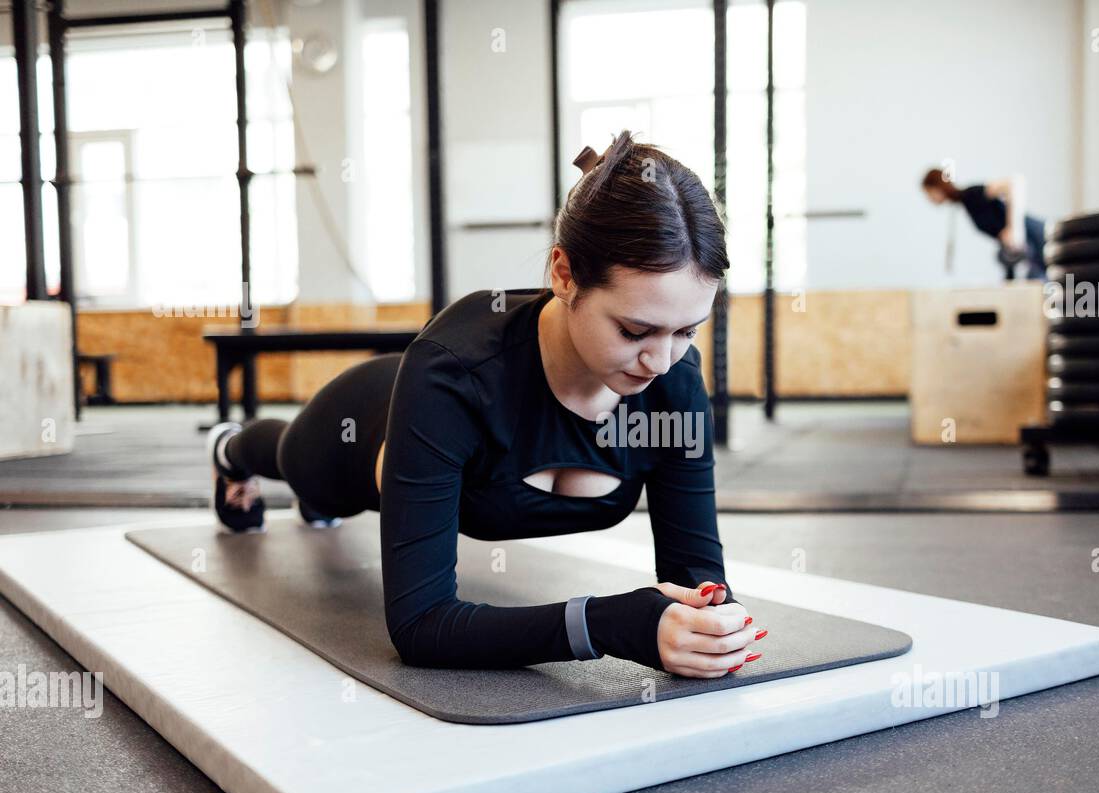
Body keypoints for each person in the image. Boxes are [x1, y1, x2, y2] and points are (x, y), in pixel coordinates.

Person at [204, 130, 764, 680]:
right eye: (635, 330)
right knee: (293, 463)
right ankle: (230, 448)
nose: (661, 362)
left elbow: (697, 577)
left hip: (436, 419)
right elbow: (421, 625)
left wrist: (711, 623)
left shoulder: (674, 383)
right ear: (564, 275)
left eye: (686, 331)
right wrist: (607, 624)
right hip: (359, 424)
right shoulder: (453, 371)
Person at [921, 167, 1046, 279]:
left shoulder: (972, 194)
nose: (929, 199)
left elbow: (1012, 183)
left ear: (936, 188)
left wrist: (1011, 227)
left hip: (1037, 237)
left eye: (928, 193)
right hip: (1027, 247)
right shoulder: (967, 204)